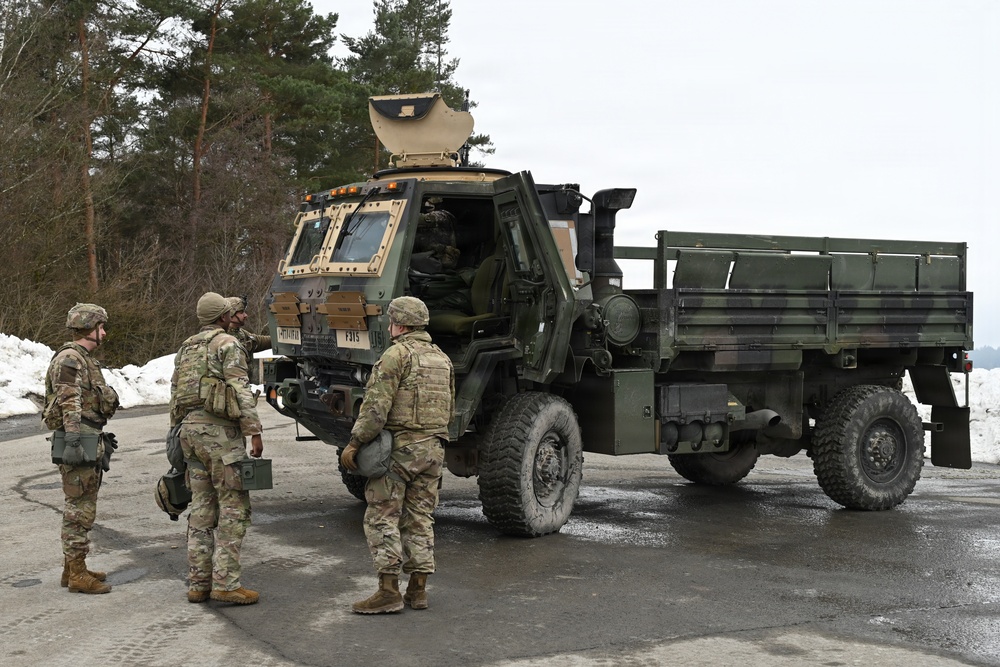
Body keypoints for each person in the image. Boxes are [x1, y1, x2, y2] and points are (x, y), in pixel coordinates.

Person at [340, 296, 455, 614]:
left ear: (400, 325)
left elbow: (375, 408)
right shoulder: (441, 359)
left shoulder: (396, 355)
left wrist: (355, 443)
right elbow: (450, 408)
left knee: (382, 516)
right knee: (420, 519)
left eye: (391, 320)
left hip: (400, 452)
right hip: (433, 450)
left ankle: (388, 591)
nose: (389, 326)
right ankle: (418, 591)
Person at [169, 292, 265, 605]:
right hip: (221, 436)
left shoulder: (186, 347)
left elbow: (175, 394)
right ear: (223, 316)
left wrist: (175, 435)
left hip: (190, 433)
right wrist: (254, 431)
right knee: (234, 508)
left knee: (201, 510)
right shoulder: (227, 344)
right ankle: (226, 584)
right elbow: (239, 388)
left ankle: (198, 584)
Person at [42, 303, 120, 594]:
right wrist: (74, 439)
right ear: (91, 328)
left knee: (83, 504)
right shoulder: (71, 359)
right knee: (79, 508)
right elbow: (68, 400)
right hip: (79, 437)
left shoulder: (81, 357)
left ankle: (71, 568)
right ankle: (76, 574)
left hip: (88, 434)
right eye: (102, 327)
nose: (104, 333)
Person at [226, 296, 271, 384]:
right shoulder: (221, 337)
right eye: (241, 312)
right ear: (230, 315)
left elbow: (259, 341)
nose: (246, 315)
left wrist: (280, 339)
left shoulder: (242, 334)